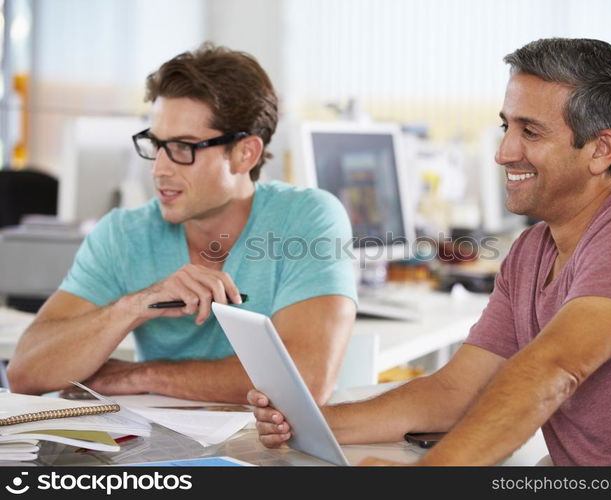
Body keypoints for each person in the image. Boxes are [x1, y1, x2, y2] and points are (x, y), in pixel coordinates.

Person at [249, 38, 611, 466]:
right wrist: (310, 424)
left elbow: (557, 367)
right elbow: (454, 391)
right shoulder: (531, 251)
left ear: (601, 150)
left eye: (531, 132)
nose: (504, 152)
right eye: (507, 126)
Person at [7, 43, 357, 404]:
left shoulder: (307, 217)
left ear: (244, 153)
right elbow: (25, 372)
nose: (159, 168)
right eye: (156, 145)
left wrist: (144, 375)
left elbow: (306, 380)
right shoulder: (123, 233)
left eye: (183, 147)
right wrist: (136, 305)